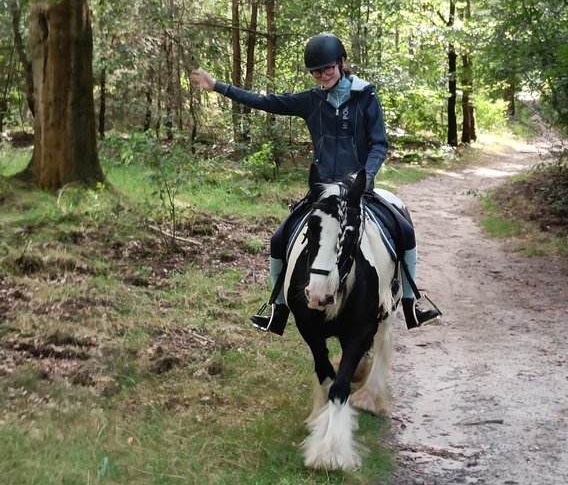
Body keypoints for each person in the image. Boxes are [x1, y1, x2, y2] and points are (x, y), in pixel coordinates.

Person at [189, 32, 441, 335]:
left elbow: (379, 144)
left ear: (341, 63)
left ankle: (412, 302)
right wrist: (217, 86)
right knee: (279, 239)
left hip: (357, 191)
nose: (323, 76)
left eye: (328, 69)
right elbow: (265, 102)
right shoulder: (311, 100)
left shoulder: (366, 96)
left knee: (405, 230)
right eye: (317, 72)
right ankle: (278, 307)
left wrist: (366, 177)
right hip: (322, 193)